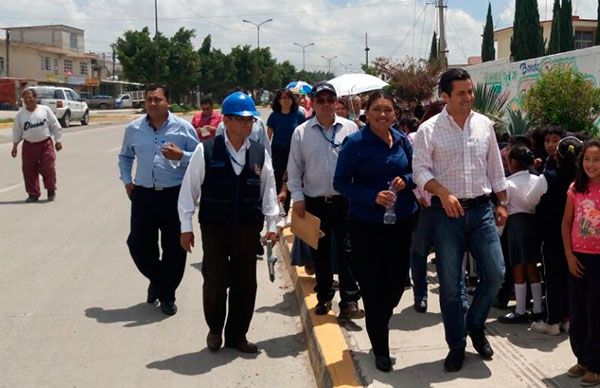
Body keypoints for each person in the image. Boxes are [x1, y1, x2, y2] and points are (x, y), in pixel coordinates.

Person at [413, 68, 507, 372]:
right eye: (462, 93)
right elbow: (420, 172)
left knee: (495, 273)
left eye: (470, 91)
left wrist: (503, 201)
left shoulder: (484, 125)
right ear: (445, 97)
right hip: (445, 216)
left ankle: (475, 323)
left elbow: (495, 164)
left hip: (481, 212)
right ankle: (457, 345)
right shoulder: (428, 130)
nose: (469, 98)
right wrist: (442, 193)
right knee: (451, 287)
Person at [178, 91, 279, 354]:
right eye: (242, 119)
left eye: (251, 120)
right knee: (215, 281)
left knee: (245, 283)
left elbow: (269, 189)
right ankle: (215, 329)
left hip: (247, 228)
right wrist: (185, 228)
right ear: (228, 120)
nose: (248, 125)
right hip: (215, 227)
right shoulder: (207, 149)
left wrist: (272, 225)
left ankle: (237, 335)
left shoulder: (258, 151)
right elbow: (188, 191)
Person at [334, 92, 418, 372]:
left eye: (388, 110)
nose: (383, 115)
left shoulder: (402, 139)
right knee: (372, 288)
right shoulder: (355, 143)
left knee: (394, 287)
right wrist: (372, 196)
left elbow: (415, 171)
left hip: (401, 223)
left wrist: (405, 180)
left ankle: (379, 321)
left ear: (395, 113)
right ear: (367, 113)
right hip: (366, 226)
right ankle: (380, 348)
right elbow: (341, 182)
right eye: (377, 110)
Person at [118, 84, 200, 316]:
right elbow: (125, 156)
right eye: (149, 99)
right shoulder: (133, 128)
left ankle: (167, 296)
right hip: (142, 194)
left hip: (174, 195)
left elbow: (200, 158)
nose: (153, 103)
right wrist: (127, 180)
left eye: (158, 99)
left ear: (168, 102)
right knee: (138, 244)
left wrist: (181, 155)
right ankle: (160, 280)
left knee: (175, 248)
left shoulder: (183, 128)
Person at [287, 82, 361, 319]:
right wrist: (297, 197)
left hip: (346, 201)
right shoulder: (301, 132)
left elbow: (360, 164)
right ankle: (325, 296)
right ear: (313, 104)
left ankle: (349, 299)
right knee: (320, 253)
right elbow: (295, 169)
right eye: (321, 100)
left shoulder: (350, 129)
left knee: (349, 250)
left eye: (331, 100)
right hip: (315, 202)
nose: (327, 104)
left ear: (336, 102)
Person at [528, 136, 582, 335]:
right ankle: (568, 319)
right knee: (572, 277)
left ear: (556, 156)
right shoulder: (583, 182)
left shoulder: (547, 177)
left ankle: (552, 322)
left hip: (551, 236)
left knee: (552, 277)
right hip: (578, 238)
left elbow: (530, 201)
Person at [562, 139, 600, 387]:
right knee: (577, 312)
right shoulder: (575, 188)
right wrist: (569, 255)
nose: (591, 164)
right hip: (577, 257)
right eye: (587, 159)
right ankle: (583, 359)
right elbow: (566, 223)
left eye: (596, 159)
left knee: (596, 312)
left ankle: (597, 365)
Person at [497, 146, 543, 324]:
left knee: (517, 266)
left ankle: (520, 310)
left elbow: (504, 209)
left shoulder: (508, 184)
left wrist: (498, 232)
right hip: (533, 223)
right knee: (532, 265)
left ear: (514, 162)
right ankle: (537, 308)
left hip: (516, 224)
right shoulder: (537, 179)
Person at [11, 88, 62, 202]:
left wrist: (58, 140)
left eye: (29, 97)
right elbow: (17, 132)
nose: (27, 99)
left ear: (35, 98)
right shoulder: (20, 115)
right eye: (25, 98)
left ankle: (51, 189)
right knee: (28, 170)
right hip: (29, 146)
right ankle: (33, 194)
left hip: (45, 144)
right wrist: (14, 146)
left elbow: (55, 125)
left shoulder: (45, 110)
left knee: (48, 167)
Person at [266, 89, 306, 214]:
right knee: (280, 179)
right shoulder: (274, 116)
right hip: (278, 151)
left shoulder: (298, 115)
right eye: (283, 98)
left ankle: (296, 206)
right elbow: (269, 136)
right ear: (278, 100)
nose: (286, 100)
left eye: (289, 98)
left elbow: (305, 133)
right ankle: (281, 209)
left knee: (294, 177)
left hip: (295, 151)